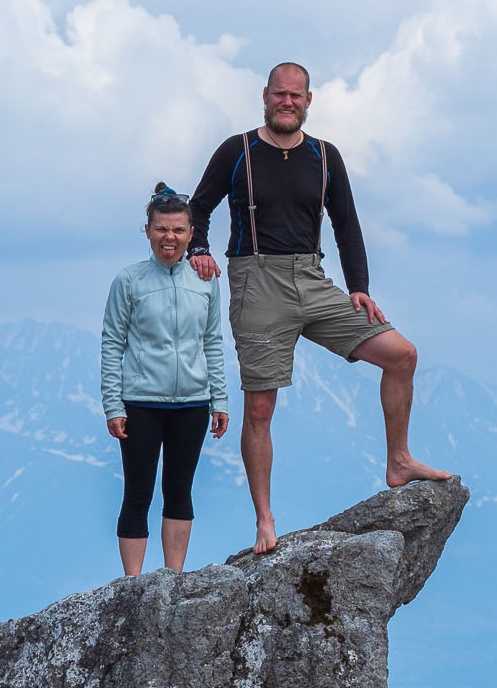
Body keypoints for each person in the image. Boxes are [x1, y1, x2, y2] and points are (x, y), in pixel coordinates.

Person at [188, 60, 450, 553]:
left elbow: (346, 222)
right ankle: (265, 520)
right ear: (265, 96)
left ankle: (399, 460)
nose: (287, 103)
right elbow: (199, 206)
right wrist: (198, 250)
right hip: (256, 278)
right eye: (279, 95)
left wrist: (359, 286)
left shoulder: (325, 156)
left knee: (402, 355)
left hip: (313, 278)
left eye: (296, 96)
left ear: (310, 101)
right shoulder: (237, 150)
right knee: (261, 406)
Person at [100, 184, 229, 575]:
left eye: (177, 230)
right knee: (137, 493)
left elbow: (212, 341)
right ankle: (133, 586)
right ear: (147, 231)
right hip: (140, 402)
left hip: (192, 402)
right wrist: (112, 404)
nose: (168, 238)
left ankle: (173, 580)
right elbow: (112, 344)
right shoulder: (130, 281)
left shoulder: (205, 281)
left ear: (191, 234)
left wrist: (218, 399)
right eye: (161, 229)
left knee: (179, 492)